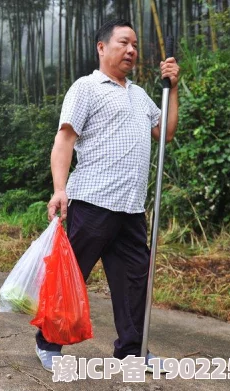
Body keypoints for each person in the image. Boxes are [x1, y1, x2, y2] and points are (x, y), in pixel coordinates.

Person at [35, 18, 180, 373]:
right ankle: (48, 343)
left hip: (131, 208)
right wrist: (59, 189)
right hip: (92, 203)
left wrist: (173, 88)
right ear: (102, 47)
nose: (131, 50)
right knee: (70, 277)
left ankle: (132, 351)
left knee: (134, 282)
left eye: (135, 45)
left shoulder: (140, 94)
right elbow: (64, 140)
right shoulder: (87, 88)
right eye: (123, 43)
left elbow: (166, 134)